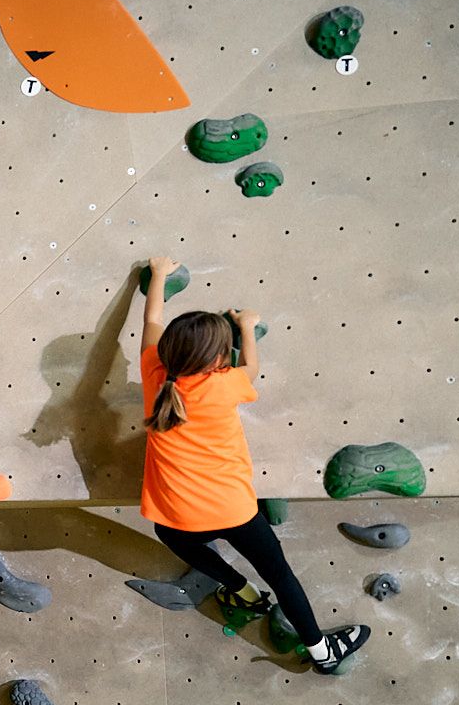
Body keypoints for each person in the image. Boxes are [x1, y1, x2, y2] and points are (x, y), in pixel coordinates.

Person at [138, 255, 369, 674]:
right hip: (234, 511)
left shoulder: (155, 370)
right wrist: (247, 325)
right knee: (281, 576)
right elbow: (253, 367)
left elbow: (151, 318)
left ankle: (240, 589)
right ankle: (322, 652)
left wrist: (157, 275)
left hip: (176, 516)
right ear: (218, 363)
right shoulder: (227, 384)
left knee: (170, 536)